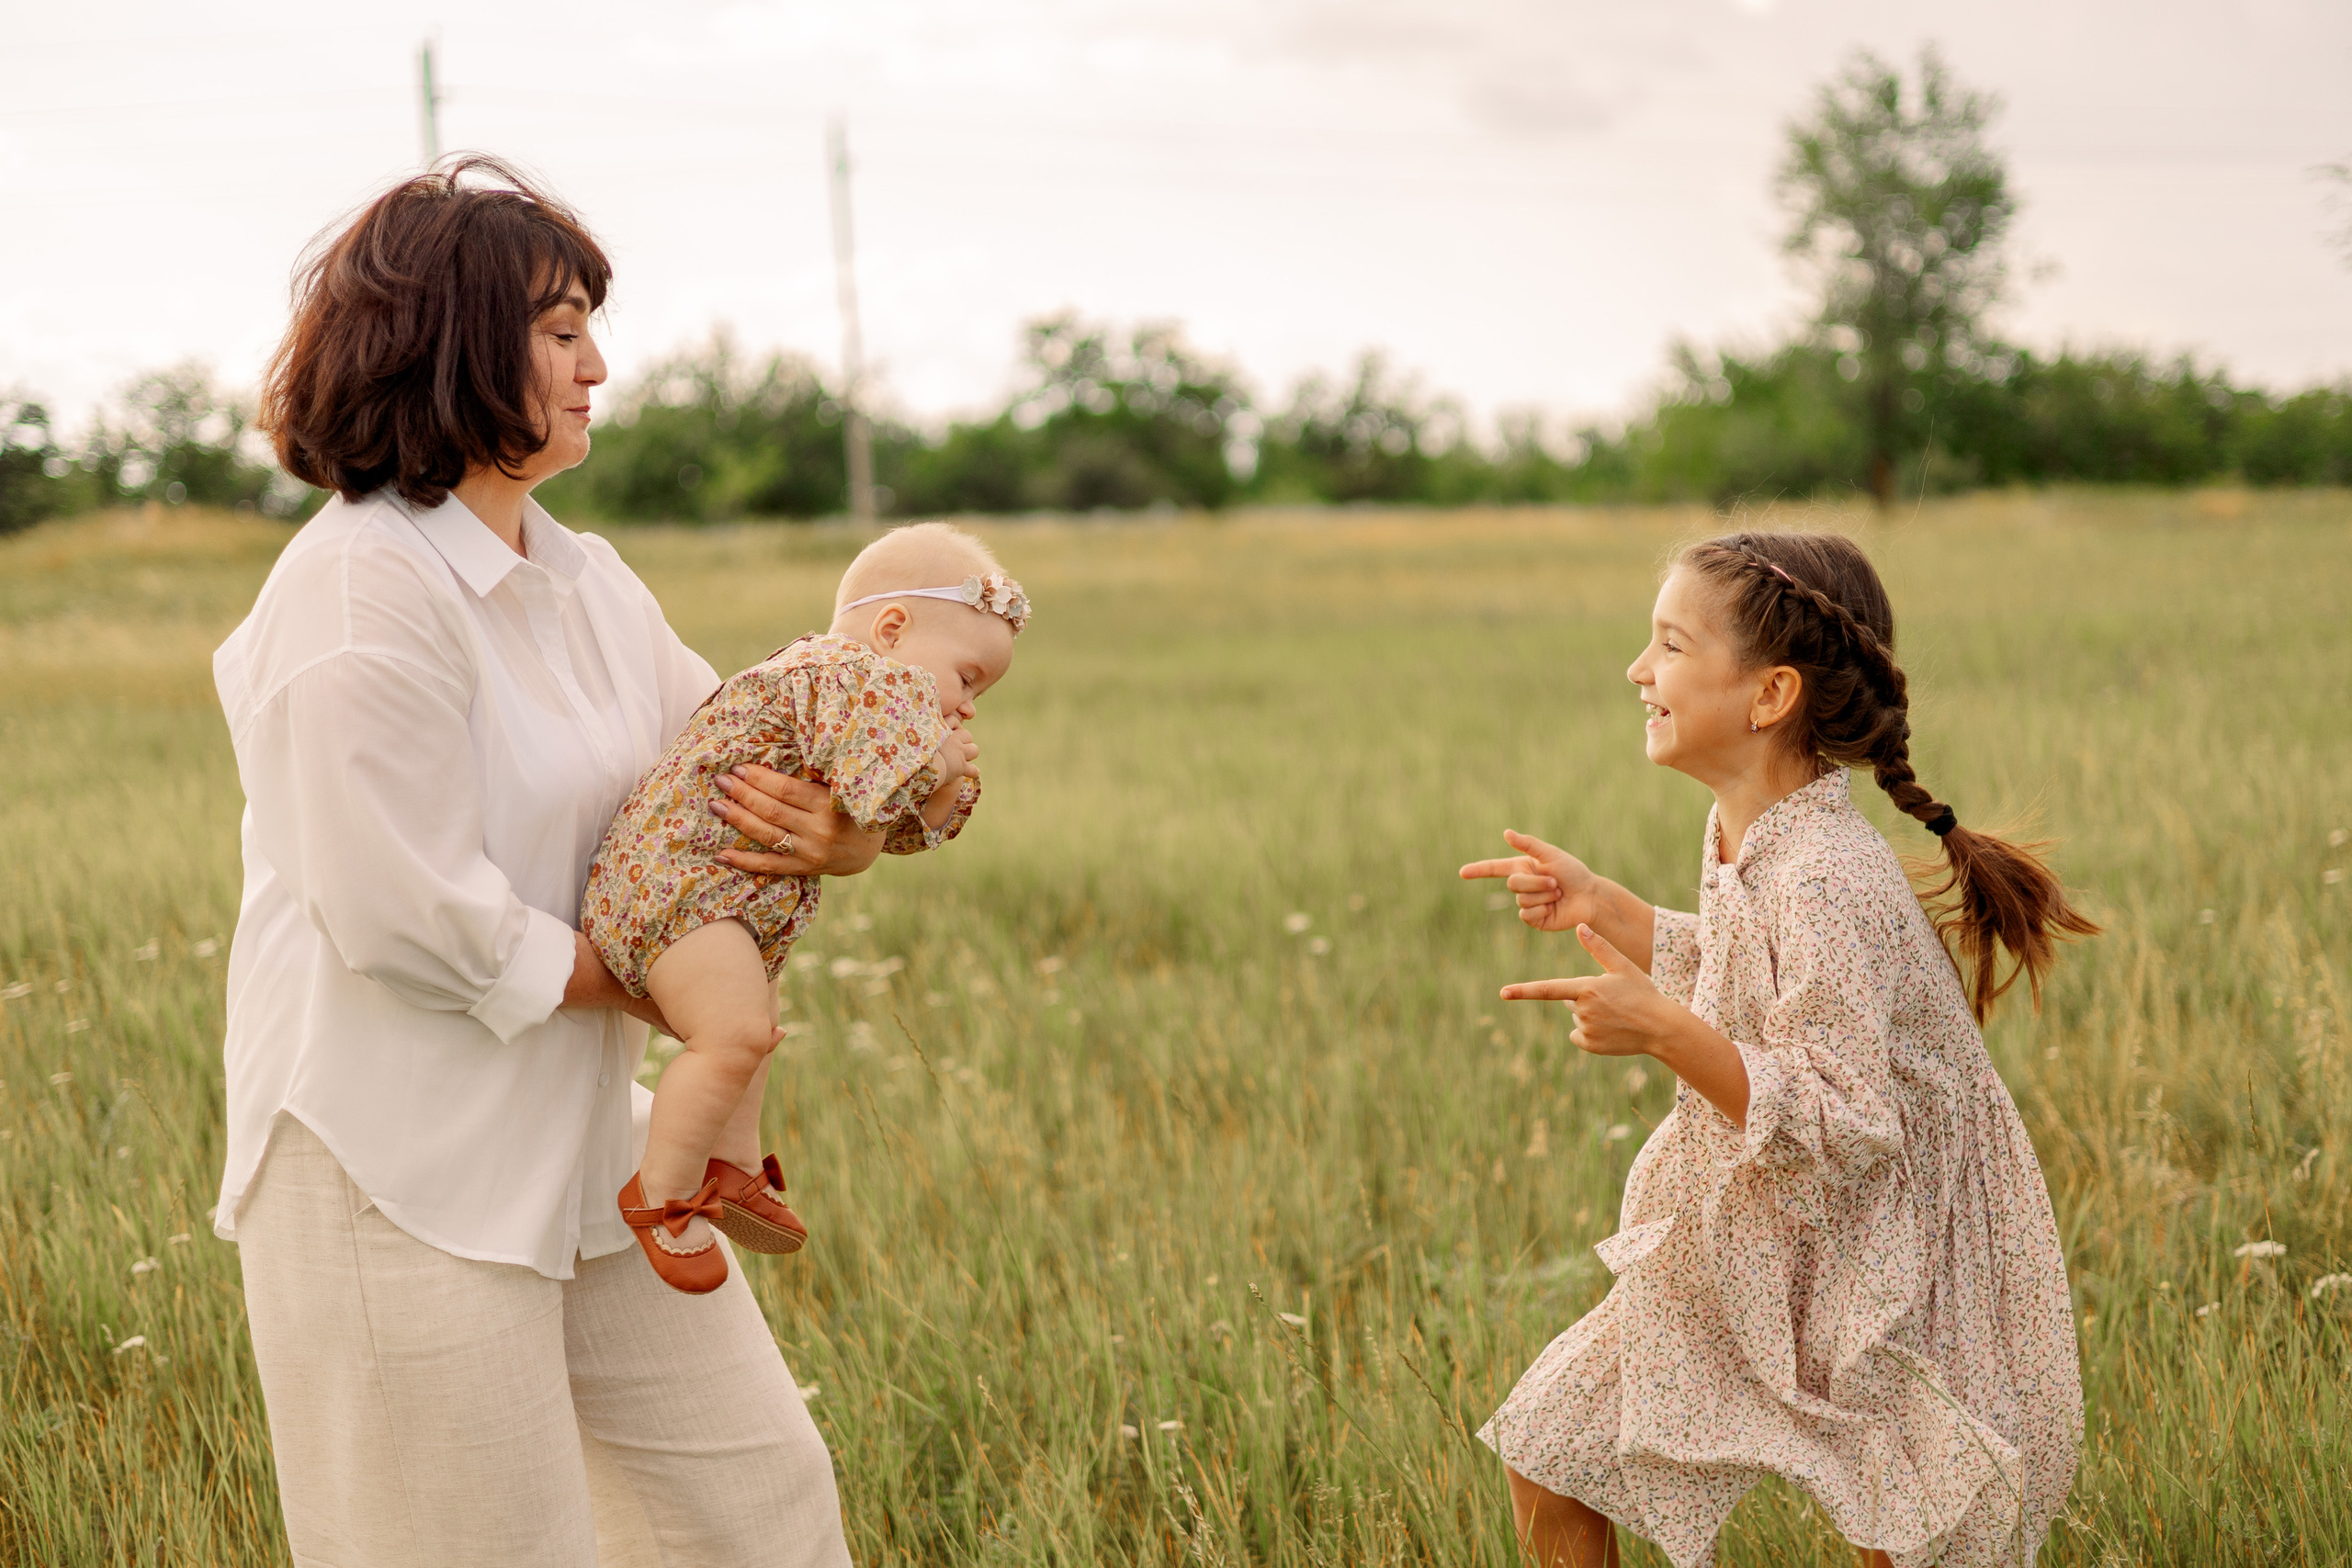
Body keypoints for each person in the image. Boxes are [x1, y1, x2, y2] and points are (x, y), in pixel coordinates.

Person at [213, 155, 863, 1566]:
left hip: (587, 1160)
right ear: (449, 342)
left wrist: (846, 823)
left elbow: (723, 764)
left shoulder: (583, 579)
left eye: (589, 329)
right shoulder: (356, 588)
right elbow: (406, 912)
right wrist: (675, 989)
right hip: (400, 1166)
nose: (599, 366)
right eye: (561, 331)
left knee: (755, 1505)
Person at [1461, 531, 2091, 1568]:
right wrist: (1608, 908)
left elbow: (1846, 1124)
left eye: (1667, 644)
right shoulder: (1755, 833)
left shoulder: (1825, 877)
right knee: (1551, 1446)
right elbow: (1754, 973)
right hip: (1787, 1217)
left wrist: (1665, 1031)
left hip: (1895, 1242)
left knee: (1907, 1529)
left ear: (1768, 697)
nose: (1636, 670)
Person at [583, 523, 1023, 1292]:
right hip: (678, 886)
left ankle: (736, 1160)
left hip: (715, 893)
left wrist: (933, 782)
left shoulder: (852, 684)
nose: (968, 706)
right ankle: (660, 1191)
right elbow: (881, 796)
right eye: (967, 676)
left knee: (760, 1026)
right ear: (892, 630)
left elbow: (891, 833)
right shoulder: (852, 673)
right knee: (734, 1034)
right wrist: (945, 766)